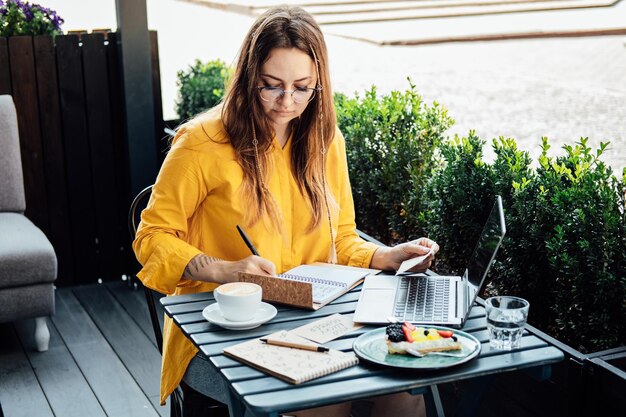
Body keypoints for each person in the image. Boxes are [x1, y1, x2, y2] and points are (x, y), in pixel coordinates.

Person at [133, 5, 439, 417]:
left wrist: (385, 256)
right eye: (271, 86)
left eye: (302, 87)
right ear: (247, 77)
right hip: (223, 327)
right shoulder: (200, 143)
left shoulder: (325, 141)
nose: (287, 102)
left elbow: (342, 238)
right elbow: (150, 240)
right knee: (323, 401)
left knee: (405, 385)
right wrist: (225, 269)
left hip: (317, 319)